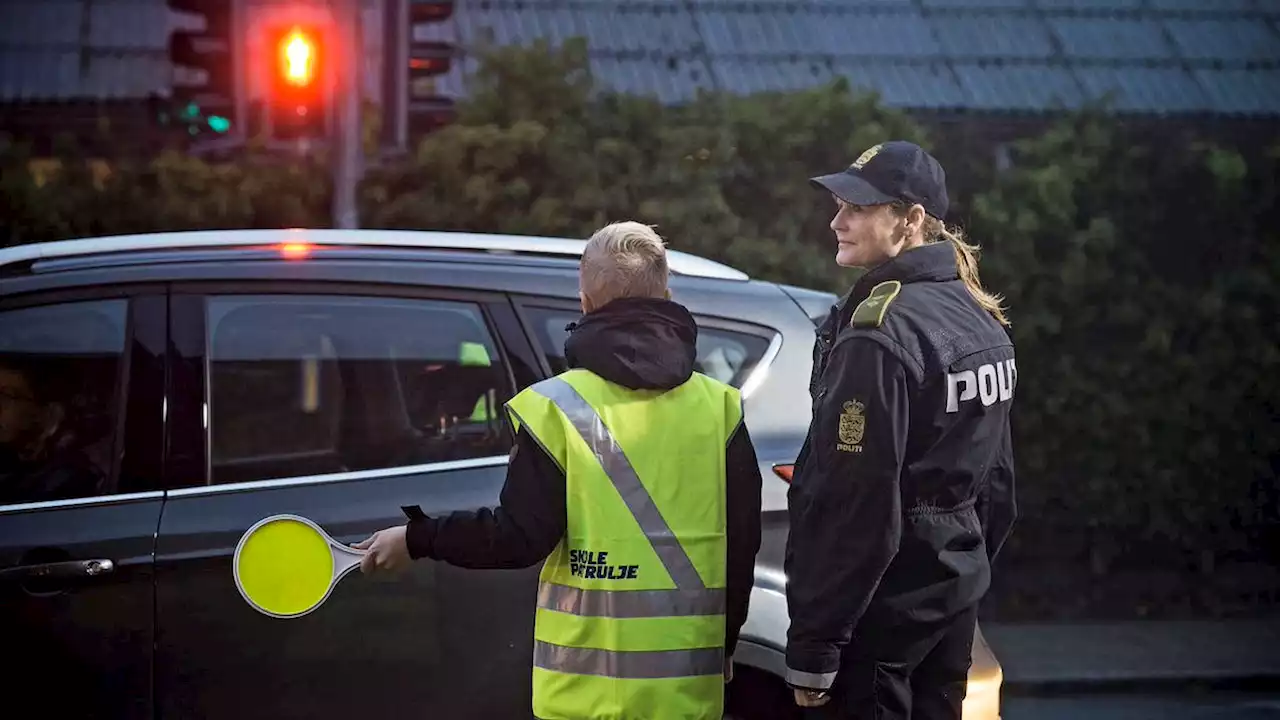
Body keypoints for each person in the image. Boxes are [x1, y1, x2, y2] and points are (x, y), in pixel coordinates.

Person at [355, 221, 764, 720]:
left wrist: (418, 538)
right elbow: (741, 543)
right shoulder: (718, 408)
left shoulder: (556, 408)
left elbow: (517, 538)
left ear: (586, 303)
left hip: (583, 698)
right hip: (684, 697)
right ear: (667, 296)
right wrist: (724, 643)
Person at [783, 141, 1018, 719]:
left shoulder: (879, 333)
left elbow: (856, 506)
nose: (837, 221)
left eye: (859, 208)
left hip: (881, 622)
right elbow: (998, 489)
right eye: (839, 204)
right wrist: (960, 574)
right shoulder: (974, 315)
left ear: (911, 220)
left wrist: (816, 645)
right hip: (950, 606)